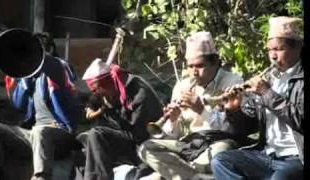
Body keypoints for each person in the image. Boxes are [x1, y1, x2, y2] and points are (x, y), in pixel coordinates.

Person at [138, 31, 258, 180]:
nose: (194, 72)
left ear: (214, 63)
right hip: (191, 144)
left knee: (221, 152)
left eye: (200, 66)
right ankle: (196, 176)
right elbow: (174, 136)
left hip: (218, 141)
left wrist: (200, 109)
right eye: (190, 66)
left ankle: (183, 174)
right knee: (146, 148)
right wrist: (173, 120)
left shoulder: (232, 82)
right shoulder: (182, 85)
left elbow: (232, 128)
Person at [211, 16, 304, 180]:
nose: (273, 56)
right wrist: (235, 110)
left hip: (297, 158)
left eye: (279, 49)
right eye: (270, 50)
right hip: (267, 154)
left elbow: (301, 120)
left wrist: (267, 93)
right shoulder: (269, 78)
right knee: (221, 161)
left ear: (297, 49)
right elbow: (246, 128)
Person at [0, 48, 81, 180]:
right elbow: (18, 104)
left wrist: (35, 55)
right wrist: (21, 78)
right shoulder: (30, 79)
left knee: (40, 131)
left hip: (61, 132)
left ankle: (41, 177)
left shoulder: (57, 72)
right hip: (33, 134)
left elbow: (54, 66)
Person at [77, 58, 163, 180]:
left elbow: (137, 133)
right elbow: (92, 102)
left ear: (106, 84)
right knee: (84, 140)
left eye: (96, 90)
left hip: (144, 141)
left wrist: (110, 109)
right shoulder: (106, 91)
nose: (96, 94)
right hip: (127, 137)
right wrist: (91, 108)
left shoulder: (138, 92)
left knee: (96, 135)